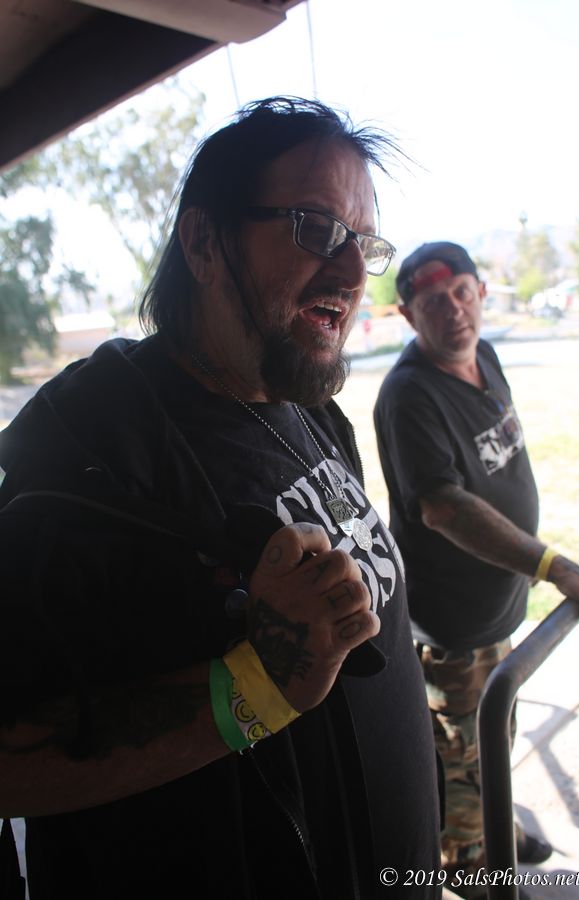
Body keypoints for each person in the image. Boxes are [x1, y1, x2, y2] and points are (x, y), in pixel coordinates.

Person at [0, 98, 442, 900]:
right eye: (316, 229)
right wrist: (255, 688)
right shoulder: (91, 447)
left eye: (363, 242)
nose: (352, 273)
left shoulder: (310, 409)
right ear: (204, 242)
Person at [373, 241, 579, 896]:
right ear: (409, 315)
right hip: (453, 625)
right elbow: (444, 507)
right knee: (462, 755)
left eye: (462, 292)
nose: (453, 310)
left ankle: (495, 826)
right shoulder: (409, 396)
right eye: (432, 302)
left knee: (496, 730)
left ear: (480, 293)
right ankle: (471, 864)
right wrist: (555, 566)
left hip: (498, 607)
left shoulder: (486, 356)